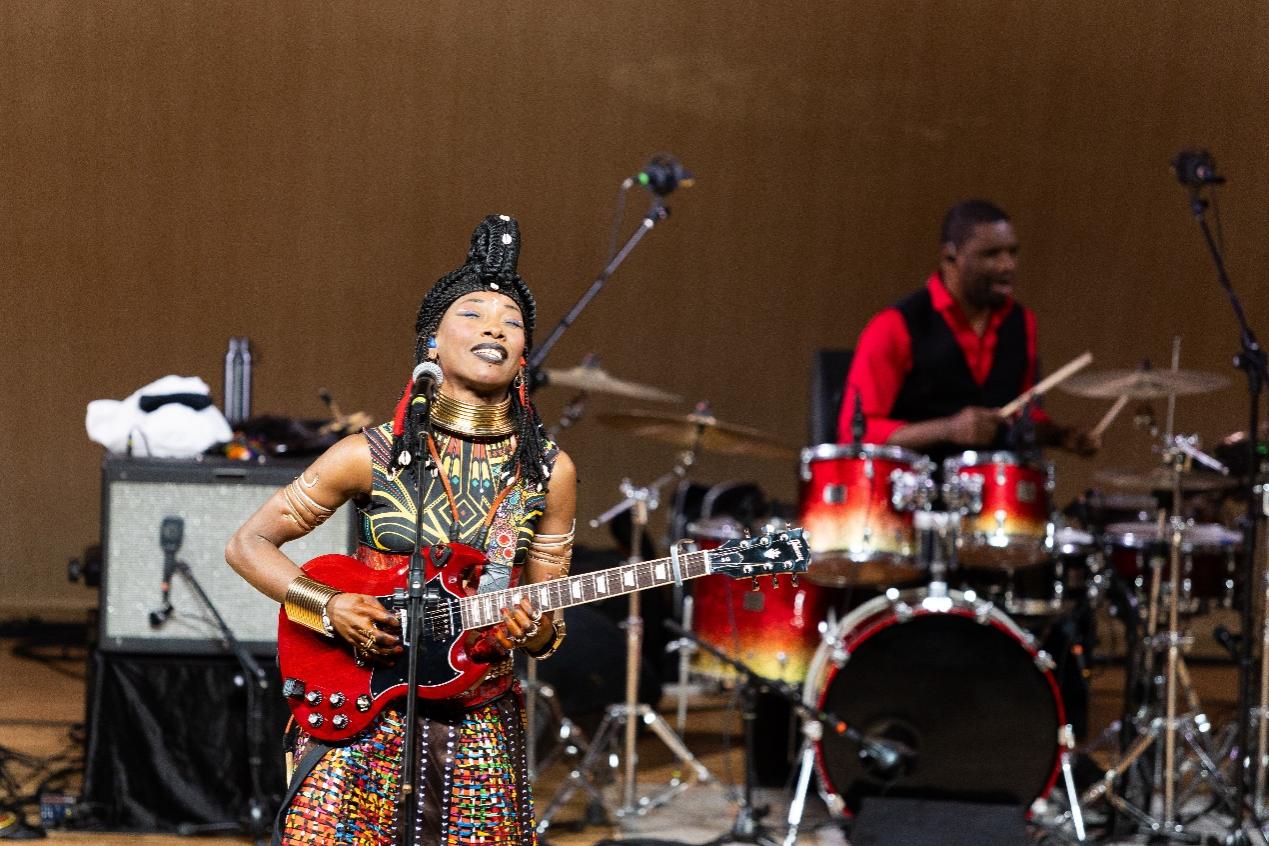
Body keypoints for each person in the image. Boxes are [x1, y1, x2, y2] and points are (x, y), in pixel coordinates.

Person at [226, 214, 576, 845]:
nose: (494, 327)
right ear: (432, 344)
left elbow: (547, 614)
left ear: (524, 355)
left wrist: (535, 628)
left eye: (512, 321)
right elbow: (247, 544)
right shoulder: (372, 454)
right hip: (362, 705)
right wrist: (328, 605)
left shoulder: (549, 471)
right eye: (473, 313)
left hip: (479, 720)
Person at [837, 199, 1098, 462]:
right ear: (950, 256)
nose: (1007, 265)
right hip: (917, 482)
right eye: (991, 254)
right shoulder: (895, 325)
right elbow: (854, 433)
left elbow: (1023, 414)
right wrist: (947, 429)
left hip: (994, 482)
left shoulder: (1022, 321)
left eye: (1012, 252)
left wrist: (1061, 436)